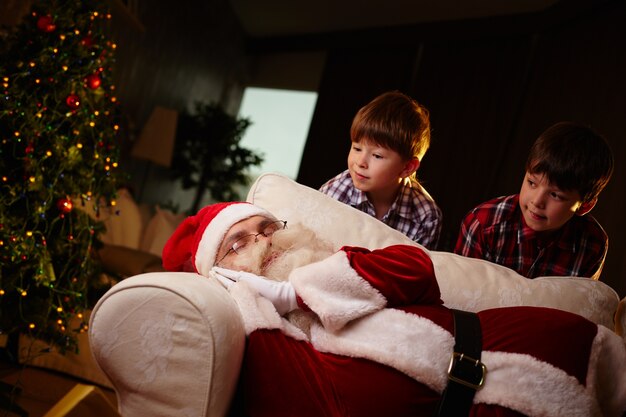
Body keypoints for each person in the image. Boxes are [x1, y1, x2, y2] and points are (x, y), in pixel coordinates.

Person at [162, 202, 626, 417]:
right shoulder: (273, 346)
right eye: (238, 244)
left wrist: (294, 292)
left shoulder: (336, 261)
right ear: (222, 277)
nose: (264, 241)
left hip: (541, 339)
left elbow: (415, 268)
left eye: (267, 227)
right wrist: (251, 300)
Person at [455, 121, 614, 279]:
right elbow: (460, 293)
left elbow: (580, 302)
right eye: (532, 183)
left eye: (555, 195)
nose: (537, 201)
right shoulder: (483, 224)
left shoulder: (593, 243)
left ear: (585, 206)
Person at [319, 91, 442, 249]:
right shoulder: (332, 194)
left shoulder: (426, 217)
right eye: (357, 148)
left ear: (407, 167)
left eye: (377, 156)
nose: (361, 162)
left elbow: (415, 270)